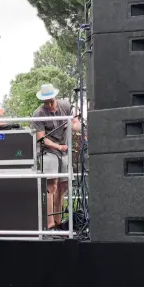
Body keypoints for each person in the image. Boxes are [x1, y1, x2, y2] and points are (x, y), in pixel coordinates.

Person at [31, 83, 81, 230]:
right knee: (51, 185)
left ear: (55, 97)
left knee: (63, 185)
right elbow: (41, 138)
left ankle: (59, 221)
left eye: (51, 101)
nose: (49, 104)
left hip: (64, 151)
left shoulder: (65, 106)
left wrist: (75, 126)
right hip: (48, 151)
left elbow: (76, 123)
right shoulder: (38, 113)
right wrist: (58, 146)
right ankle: (50, 223)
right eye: (46, 102)